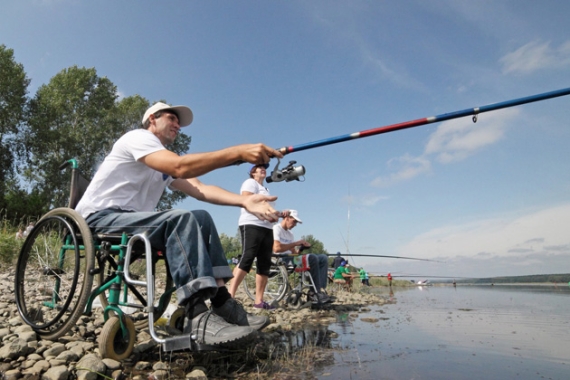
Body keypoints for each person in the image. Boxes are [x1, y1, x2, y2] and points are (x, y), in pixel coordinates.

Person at [75, 102, 283, 346]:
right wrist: (238, 152)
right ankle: (196, 314)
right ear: (152, 118)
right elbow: (179, 165)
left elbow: (201, 189)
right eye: (172, 118)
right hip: (100, 219)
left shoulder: (159, 157)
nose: (178, 125)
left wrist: (244, 201)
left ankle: (221, 302)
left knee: (201, 217)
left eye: (179, 122)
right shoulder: (137, 138)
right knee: (179, 218)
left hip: (131, 223)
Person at [228, 163, 287, 310]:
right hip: (251, 224)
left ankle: (259, 301)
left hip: (267, 227)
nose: (263, 168)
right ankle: (229, 297)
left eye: (264, 167)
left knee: (264, 263)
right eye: (258, 167)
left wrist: (279, 214)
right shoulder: (250, 183)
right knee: (247, 258)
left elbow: (268, 210)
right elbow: (247, 200)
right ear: (252, 172)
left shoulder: (266, 189)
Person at [273, 210, 332, 304]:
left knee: (323, 257)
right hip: (280, 259)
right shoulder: (276, 228)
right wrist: (296, 243)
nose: (295, 224)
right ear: (287, 218)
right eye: (294, 221)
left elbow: (295, 254)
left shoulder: (290, 234)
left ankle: (320, 290)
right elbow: (276, 248)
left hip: (291, 259)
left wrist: (301, 248)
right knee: (312, 258)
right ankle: (314, 293)